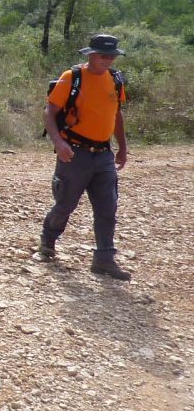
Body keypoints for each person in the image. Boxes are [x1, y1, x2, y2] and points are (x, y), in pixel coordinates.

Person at [37, 34, 131, 280]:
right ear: (90, 54)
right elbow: (49, 112)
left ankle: (104, 259)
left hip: (103, 154)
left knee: (107, 208)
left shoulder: (115, 80)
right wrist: (58, 142)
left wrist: (122, 147)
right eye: (104, 55)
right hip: (74, 152)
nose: (108, 60)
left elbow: (116, 115)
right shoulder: (72, 78)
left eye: (112, 56)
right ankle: (48, 239)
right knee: (65, 204)